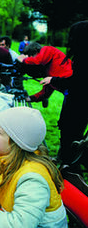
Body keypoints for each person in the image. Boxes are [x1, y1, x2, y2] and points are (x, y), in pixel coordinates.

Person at [50, 20, 88, 168]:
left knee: (70, 134)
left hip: (78, 103)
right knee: (72, 134)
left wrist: (54, 79)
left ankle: (69, 167)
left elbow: (77, 82)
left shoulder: (83, 58)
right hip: (79, 101)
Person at [17, 42, 72, 107]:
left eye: (31, 56)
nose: (31, 60)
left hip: (73, 81)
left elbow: (38, 60)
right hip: (68, 90)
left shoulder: (47, 49)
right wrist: (30, 98)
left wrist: (23, 60)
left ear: (36, 50)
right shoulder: (48, 73)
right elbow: (45, 92)